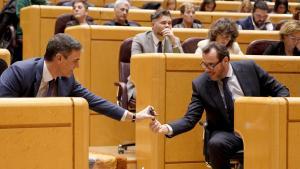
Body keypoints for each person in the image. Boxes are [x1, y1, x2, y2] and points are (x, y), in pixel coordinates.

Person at [150, 42, 290, 169]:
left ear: (225, 60)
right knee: (216, 143)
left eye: (211, 65)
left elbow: (282, 91)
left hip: (260, 128)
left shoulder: (249, 68)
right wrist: (165, 128)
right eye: (204, 64)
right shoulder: (201, 84)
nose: (206, 69)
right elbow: (190, 119)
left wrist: (270, 112)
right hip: (229, 132)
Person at [0, 33, 155, 123]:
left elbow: (97, 102)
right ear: (59, 58)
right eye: (75, 61)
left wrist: (135, 117)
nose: (78, 66)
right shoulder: (20, 72)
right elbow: (3, 109)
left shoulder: (68, 80)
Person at [129, 9, 183, 108]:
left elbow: (181, 65)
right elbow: (136, 66)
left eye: (169, 23)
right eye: (163, 23)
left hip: (167, 85)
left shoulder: (175, 40)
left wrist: (174, 43)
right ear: (153, 24)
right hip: (143, 83)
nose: (167, 26)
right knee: (157, 96)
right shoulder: (139, 39)